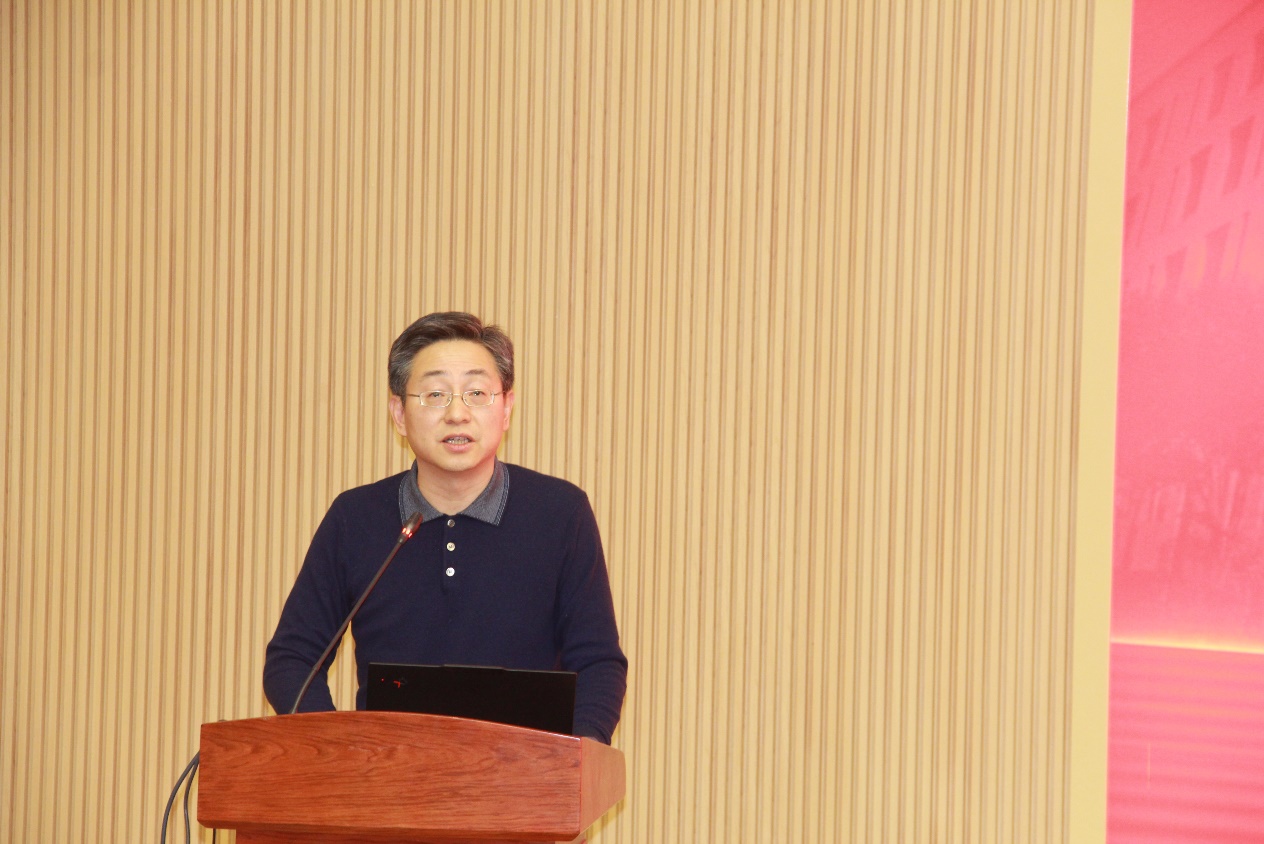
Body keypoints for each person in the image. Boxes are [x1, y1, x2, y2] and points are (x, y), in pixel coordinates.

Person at [263, 312, 627, 743]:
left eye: (477, 393)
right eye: (435, 394)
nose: (457, 414)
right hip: (387, 774)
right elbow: (293, 658)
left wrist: (576, 760)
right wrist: (339, 751)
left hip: (527, 774)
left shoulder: (560, 513)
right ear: (399, 414)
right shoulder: (356, 518)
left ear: (506, 409)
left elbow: (598, 663)